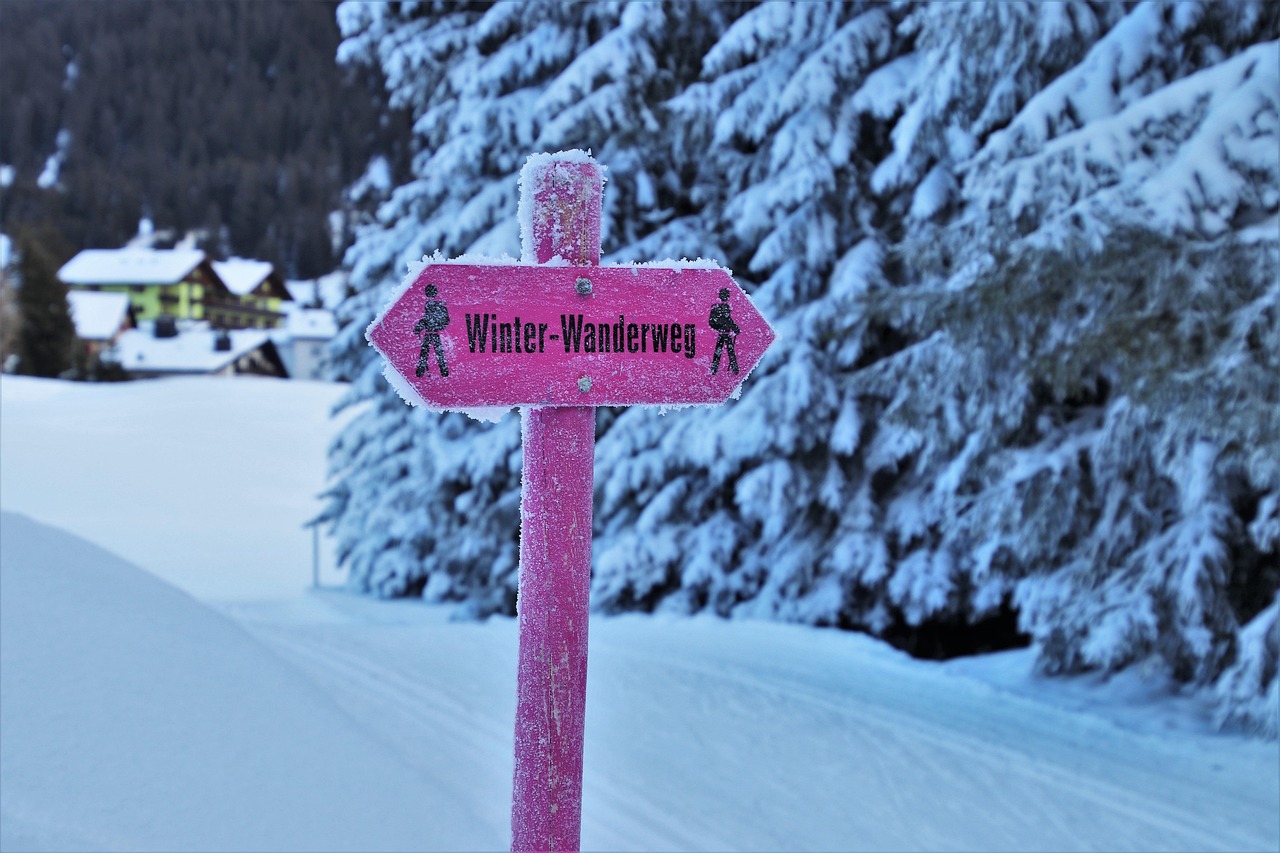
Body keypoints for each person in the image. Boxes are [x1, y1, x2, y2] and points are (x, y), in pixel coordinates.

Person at [414, 283, 449, 377]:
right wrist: (419, 327)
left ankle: (444, 372)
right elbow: (426, 319)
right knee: (426, 352)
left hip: (433, 332)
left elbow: (446, 321)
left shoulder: (439, 306)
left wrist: (436, 326)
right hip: (428, 333)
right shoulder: (429, 305)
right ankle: (420, 372)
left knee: (437, 353)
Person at [708, 287, 739, 375]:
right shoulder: (716, 308)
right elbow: (711, 322)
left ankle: (734, 369)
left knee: (730, 351)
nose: (726, 297)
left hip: (727, 333)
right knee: (719, 351)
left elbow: (729, 320)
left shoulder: (726, 307)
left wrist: (735, 328)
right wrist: (719, 328)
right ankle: (714, 369)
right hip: (722, 333)